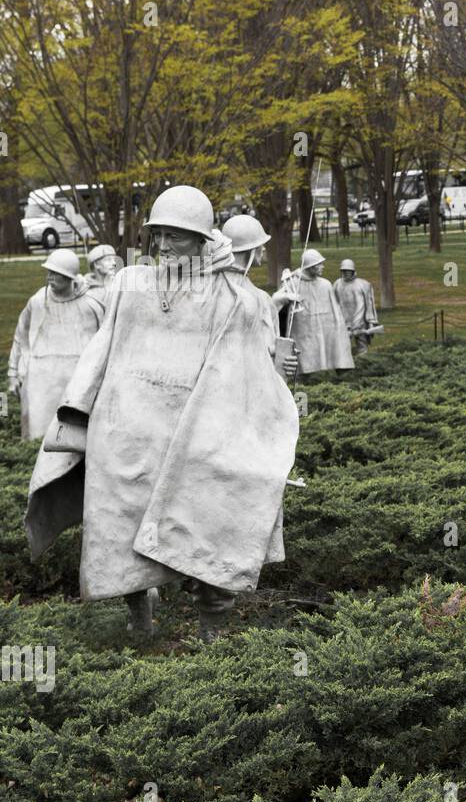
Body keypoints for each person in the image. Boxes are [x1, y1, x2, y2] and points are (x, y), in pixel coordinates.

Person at [24, 185, 299, 641]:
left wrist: (279, 369)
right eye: (159, 235)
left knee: (208, 528)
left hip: (197, 436)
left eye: (179, 236)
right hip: (126, 436)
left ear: (204, 240)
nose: (166, 246)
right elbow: (101, 350)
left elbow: (251, 373)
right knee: (118, 531)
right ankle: (140, 621)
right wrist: (78, 416)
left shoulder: (233, 296)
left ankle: (212, 630)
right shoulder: (129, 285)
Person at [8, 249, 105, 440]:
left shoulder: (90, 306)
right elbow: (21, 337)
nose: (49, 277)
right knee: (37, 436)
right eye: (49, 272)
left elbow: (104, 345)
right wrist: (13, 373)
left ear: (68, 276)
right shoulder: (37, 301)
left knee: (74, 438)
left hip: (75, 380)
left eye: (55, 274)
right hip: (39, 380)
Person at [220, 214, 299, 380]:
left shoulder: (211, 288)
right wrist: (274, 353)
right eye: (260, 245)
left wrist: (274, 304)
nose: (263, 249)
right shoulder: (255, 297)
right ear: (250, 250)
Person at [274, 248, 353, 373]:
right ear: (310, 266)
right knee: (305, 360)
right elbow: (275, 304)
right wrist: (286, 297)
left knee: (322, 353)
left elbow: (336, 314)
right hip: (302, 331)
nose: (323, 266)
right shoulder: (292, 282)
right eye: (319, 264)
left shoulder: (326, 285)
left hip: (323, 330)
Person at [332, 259, 379, 354]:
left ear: (352, 271)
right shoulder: (337, 284)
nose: (345, 273)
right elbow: (334, 303)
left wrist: (371, 322)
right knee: (343, 349)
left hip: (360, 323)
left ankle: (364, 364)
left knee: (362, 348)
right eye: (343, 270)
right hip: (344, 322)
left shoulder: (363, 285)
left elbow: (369, 304)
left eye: (347, 270)